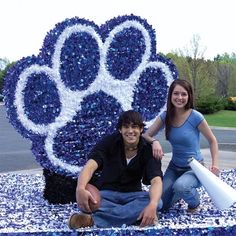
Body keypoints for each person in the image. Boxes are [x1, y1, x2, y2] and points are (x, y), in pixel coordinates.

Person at [68, 110, 163, 229]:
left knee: (157, 202)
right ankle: (134, 216)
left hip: (132, 195)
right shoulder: (109, 142)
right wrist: (80, 188)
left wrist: (152, 205)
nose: (130, 131)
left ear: (141, 129)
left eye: (134, 127)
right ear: (120, 129)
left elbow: (156, 181)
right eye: (126, 127)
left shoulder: (148, 150)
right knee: (86, 201)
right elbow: (90, 165)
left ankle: (94, 220)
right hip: (106, 194)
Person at [142, 79, 219, 212]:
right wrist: (155, 141)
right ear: (170, 95)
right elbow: (146, 135)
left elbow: (213, 140)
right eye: (176, 93)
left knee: (181, 186)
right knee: (160, 205)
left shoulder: (196, 117)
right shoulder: (166, 116)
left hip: (194, 168)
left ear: (189, 96)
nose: (179, 97)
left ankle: (194, 202)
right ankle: (179, 190)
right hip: (174, 168)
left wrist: (215, 164)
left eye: (184, 94)